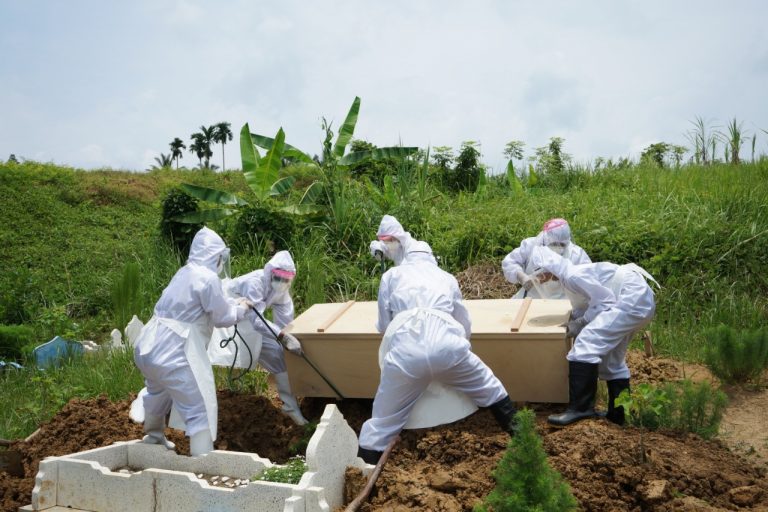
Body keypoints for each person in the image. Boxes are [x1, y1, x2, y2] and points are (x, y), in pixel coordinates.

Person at [357, 241, 517, 464]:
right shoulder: (446, 277)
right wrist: (461, 354)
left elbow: (385, 325)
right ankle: (524, 441)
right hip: (448, 346)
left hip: (406, 352)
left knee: (381, 423)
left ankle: (363, 474)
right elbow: (463, 320)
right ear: (432, 257)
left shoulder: (392, 275)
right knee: (492, 388)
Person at [132, 227, 251, 456]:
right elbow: (222, 317)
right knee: (199, 409)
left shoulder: (185, 272)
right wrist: (242, 308)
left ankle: (154, 437)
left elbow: (200, 304)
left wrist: (232, 304)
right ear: (216, 256)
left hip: (149, 346)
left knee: (157, 393)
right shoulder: (208, 279)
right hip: (174, 351)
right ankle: (203, 461)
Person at [529, 246, 658, 426]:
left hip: (630, 300)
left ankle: (581, 409)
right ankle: (617, 415)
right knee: (612, 361)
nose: (542, 280)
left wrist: (581, 323)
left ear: (548, 269)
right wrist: (577, 318)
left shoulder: (572, 275)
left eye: (541, 275)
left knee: (585, 346)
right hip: (636, 300)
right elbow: (587, 303)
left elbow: (605, 301)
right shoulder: (568, 277)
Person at [212, 250, 308, 426]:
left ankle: (290, 406)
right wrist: (281, 336)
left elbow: (285, 318)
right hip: (232, 313)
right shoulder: (255, 282)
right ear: (270, 272)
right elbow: (255, 320)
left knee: (279, 354)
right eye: (279, 277)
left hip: (250, 317)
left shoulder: (282, 289)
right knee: (274, 353)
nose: (282, 282)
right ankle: (290, 407)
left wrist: (287, 336)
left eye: (287, 279)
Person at [502, 218, 591, 299]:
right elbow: (510, 262)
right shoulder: (530, 246)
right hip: (529, 299)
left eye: (562, 245)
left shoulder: (577, 254)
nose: (558, 247)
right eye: (554, 244)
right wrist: (520, 275)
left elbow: (589, 278)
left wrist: (566, 277)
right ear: (546, 239)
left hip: (563, 303)